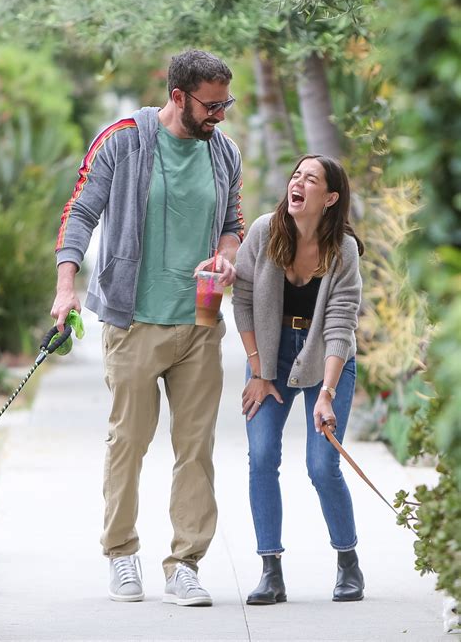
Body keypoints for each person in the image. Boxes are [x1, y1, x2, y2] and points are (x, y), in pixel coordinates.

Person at [51, 49, 244, 606]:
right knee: (128, 442)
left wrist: (228, 255)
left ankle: (185, 562)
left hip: (202, 317)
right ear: (178, 96)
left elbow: (231, 223)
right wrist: (67, 286)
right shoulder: (122, 141)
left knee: (195, 447)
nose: (221, 116)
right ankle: (122, 553)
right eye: (211, 105)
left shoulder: (223, 151)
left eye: (225, 103)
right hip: (134, 319)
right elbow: (80, 212)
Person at [232, 154, 364, 605]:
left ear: (329, 198)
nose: (298, 182)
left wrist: (326, 393)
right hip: (270, 355)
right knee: (262, 454)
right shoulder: (265, 232)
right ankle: (271, 571)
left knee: (322, 465)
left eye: (311, 179)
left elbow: (341, 324)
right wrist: (257, 370)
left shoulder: (343, 250)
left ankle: (348, 563)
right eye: (296, 175)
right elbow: (243, 300)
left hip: (327, 357)